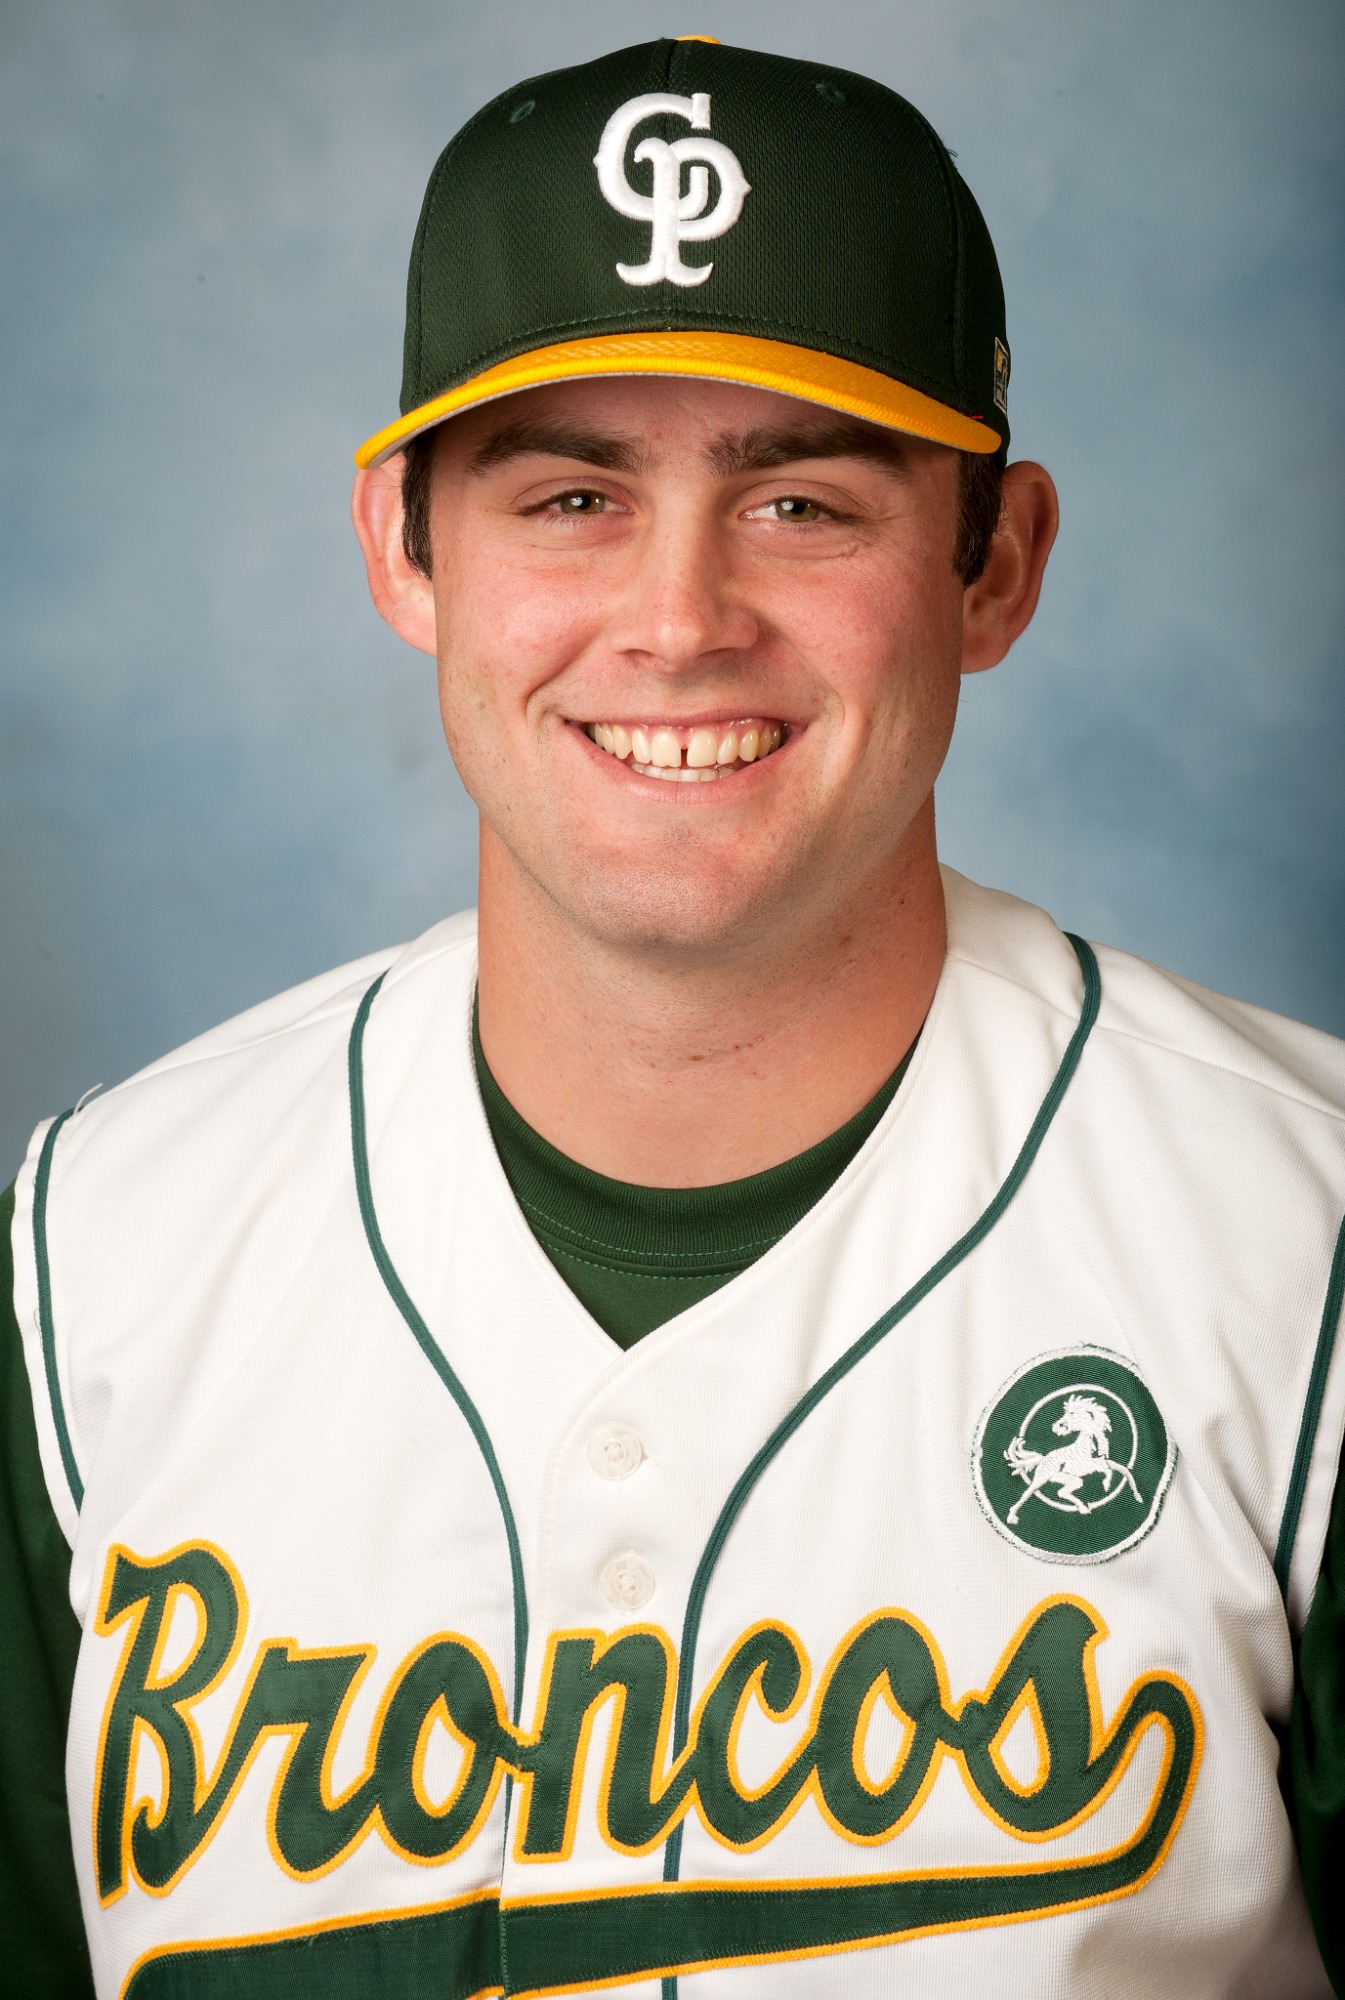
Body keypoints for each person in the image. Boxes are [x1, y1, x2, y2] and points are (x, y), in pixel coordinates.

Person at [3, 35, 1341, 2000]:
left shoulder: (1302, 1250)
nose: (679, 616)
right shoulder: (91, 1268)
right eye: (567, 495)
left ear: (999, 565)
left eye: (800, 501)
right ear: (402, 550)